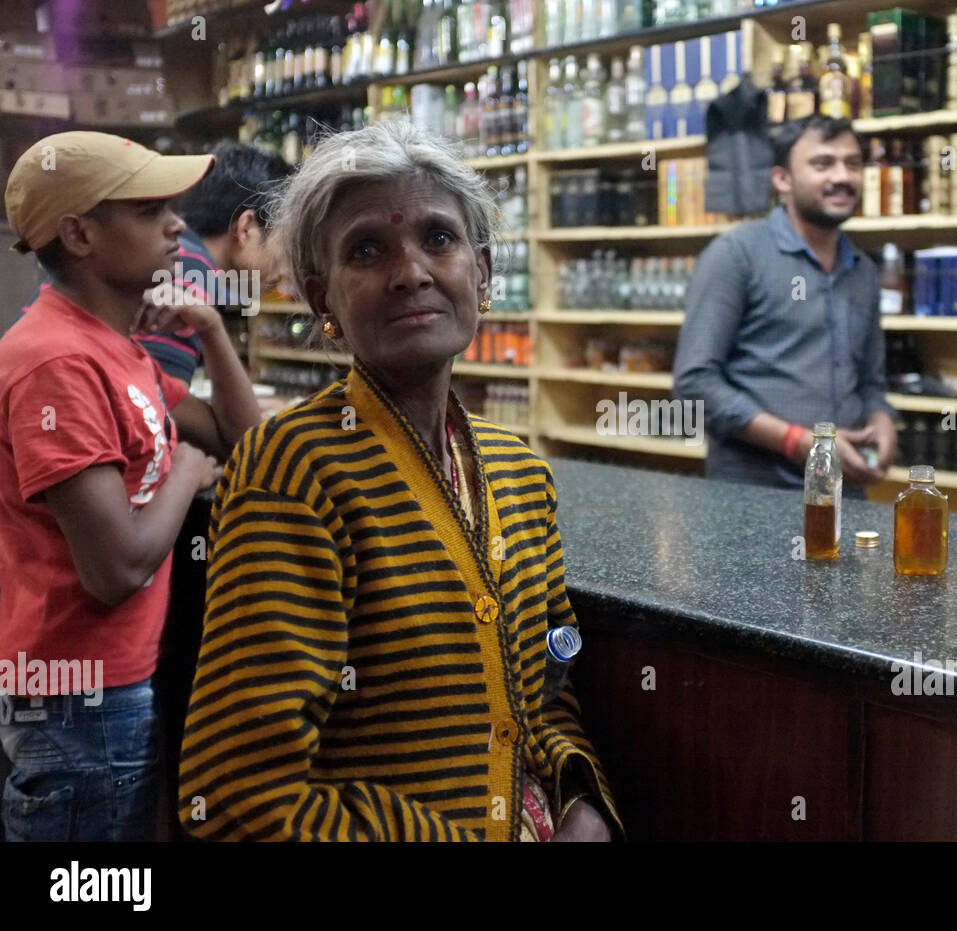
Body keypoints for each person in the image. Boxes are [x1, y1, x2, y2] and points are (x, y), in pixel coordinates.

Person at [177, 120, 620, 842]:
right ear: (322, 301)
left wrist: (578, 801)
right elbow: (238, 797)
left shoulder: (520, 474)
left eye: (438, 239)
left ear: (482, 272)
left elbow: (546, 691)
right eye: (368, 249)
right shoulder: (293, 472)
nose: (411, 270)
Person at [0, 132, 263, 841]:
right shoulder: (55, 362)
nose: (178, 224)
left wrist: (210, 327)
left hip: (110, 684)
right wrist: (182, 472)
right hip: (77, 695)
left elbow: (243, 440)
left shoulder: (115, 348)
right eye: (149, 211)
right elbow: (114, 568)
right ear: (79, 234)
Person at [673, 114, 897, 489]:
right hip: (752, 496)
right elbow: (694, 383)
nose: (842, 177)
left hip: (842, 490)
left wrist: (883, 421)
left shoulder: (863, 271)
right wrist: (797, 441)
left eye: (853, 164)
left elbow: (871, 382)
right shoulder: (736, 255)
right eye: (822, 164)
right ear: (782, 180)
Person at [24, 141, 292, 384]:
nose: (285, 269)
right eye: (150, 212)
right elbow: (154, 406)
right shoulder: (183, 275)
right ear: (245, 228)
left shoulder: (181, 265)